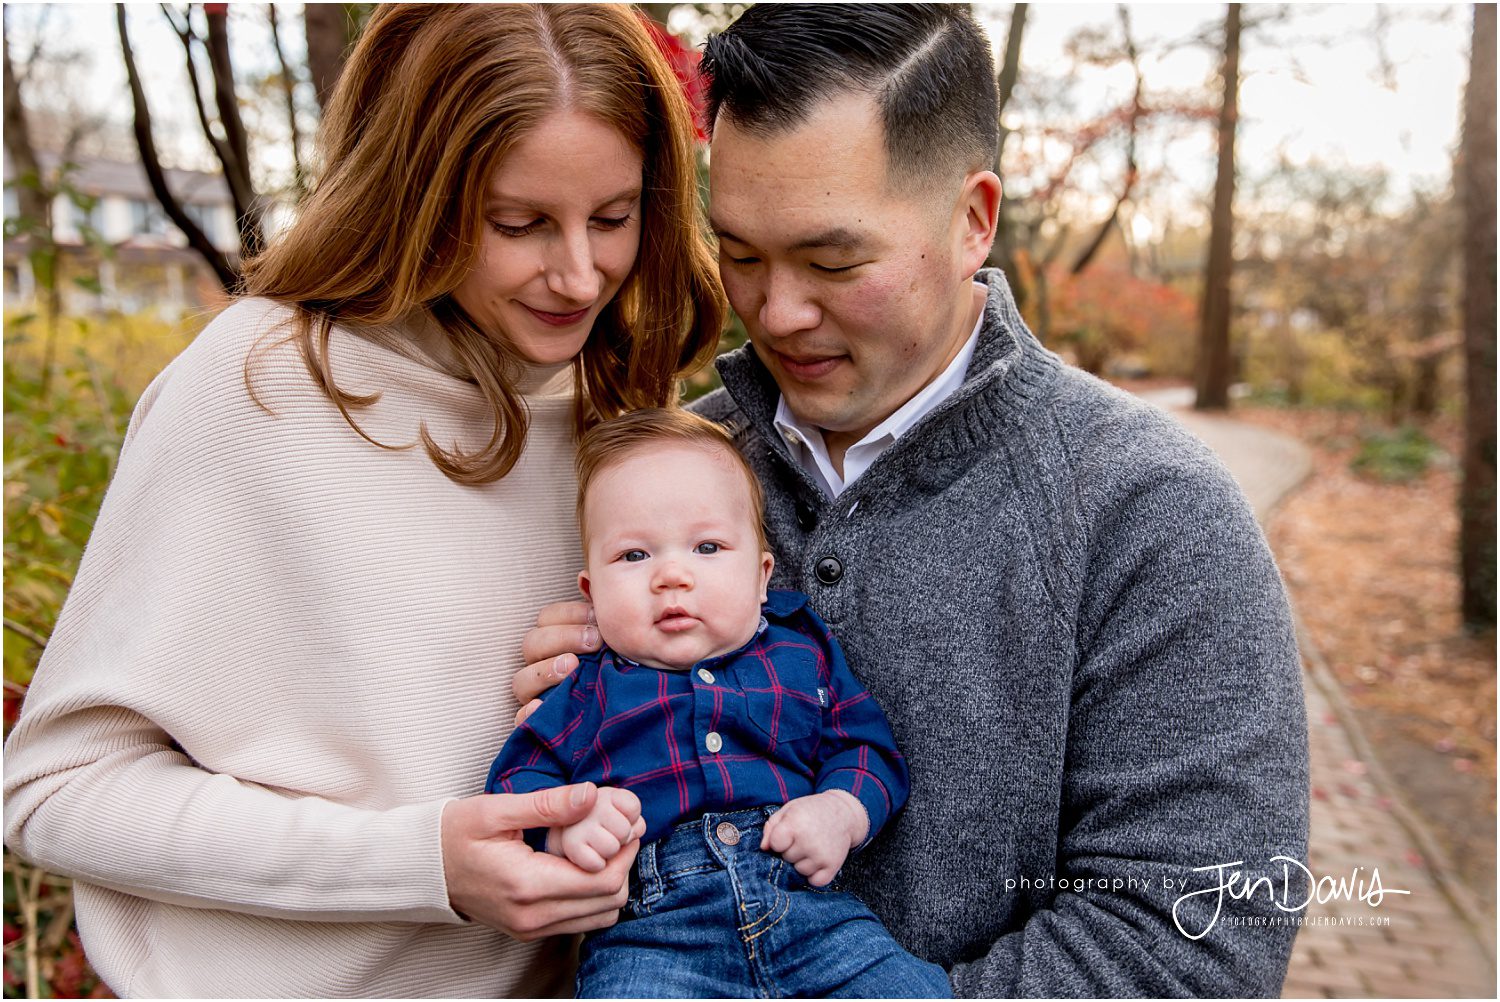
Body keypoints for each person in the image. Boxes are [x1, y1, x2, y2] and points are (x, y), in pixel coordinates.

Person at [517, 5, 1311, 998]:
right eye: (744, 254)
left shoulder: (1150, 511)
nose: (776, 311)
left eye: (834, 262)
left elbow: (1196, 936)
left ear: (973, 218)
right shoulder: (662, 476)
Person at [2, 5, 725, 997]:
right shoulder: (256, 382)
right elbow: (58, 791)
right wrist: (426, 865)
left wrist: (633, 683)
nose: (578, 272)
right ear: (418, 195)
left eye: (613, 217)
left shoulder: (623, 420)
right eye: (518, 224)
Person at [488, 408, 950, 998]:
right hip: (654, 935)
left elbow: (866, 747)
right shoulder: (586, 691)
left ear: (762, 578)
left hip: (812, 915)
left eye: (707, 547)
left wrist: (840, 811)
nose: (671, 575)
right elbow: (515, 787)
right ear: (591, 593)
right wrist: (567, 826)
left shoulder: (800, 653)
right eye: (634, 556)